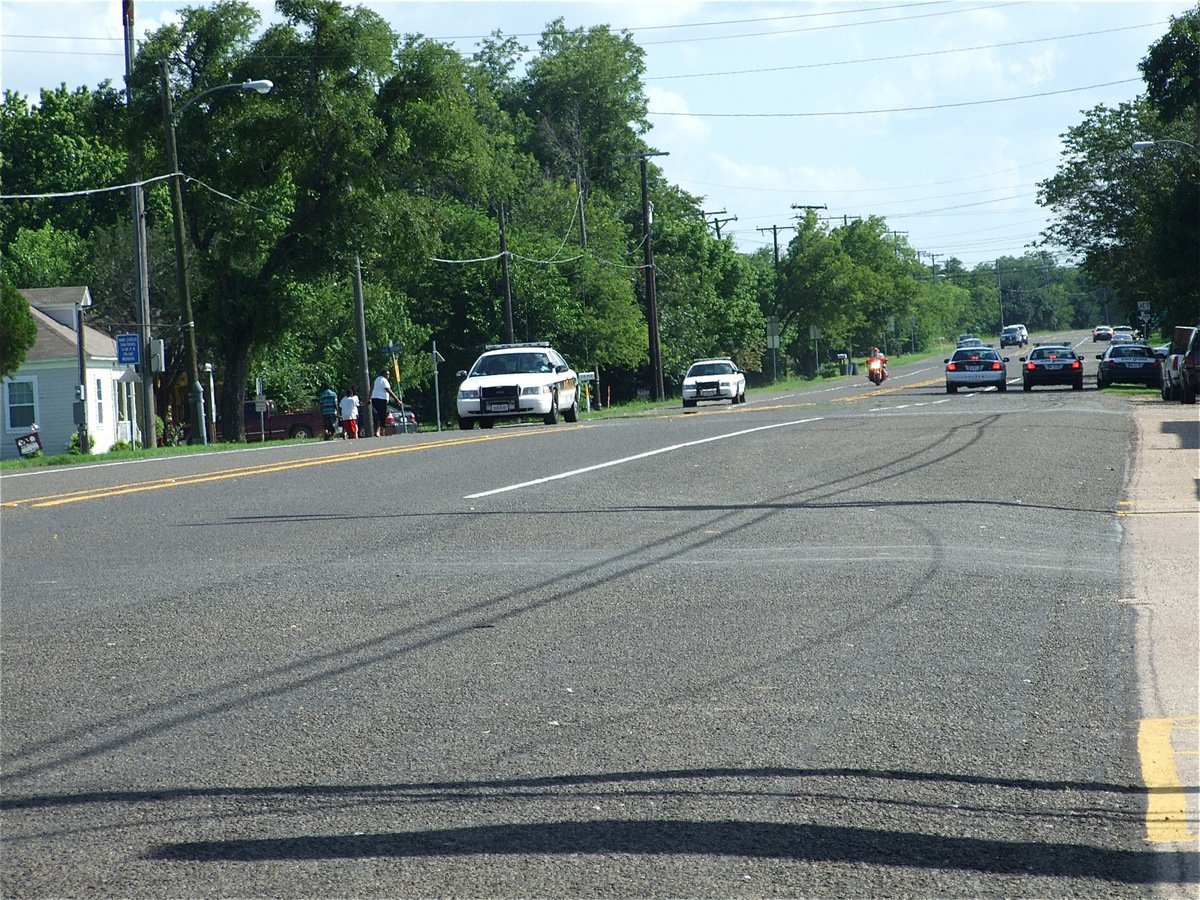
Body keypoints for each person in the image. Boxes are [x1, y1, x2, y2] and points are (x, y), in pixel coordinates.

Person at [370, 369, 400, 437]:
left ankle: (378, 431)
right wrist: (397, 399)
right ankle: (381, 431)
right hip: (381, 399)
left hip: (374, 398)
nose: (388, 376)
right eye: (387, 374)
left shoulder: (376, 379)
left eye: (388, 374)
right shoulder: (384, 380)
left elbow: (371, 388)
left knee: (377, 415)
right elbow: (388, 390)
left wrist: (369, 398)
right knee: (382, 415)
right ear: (383, 374)